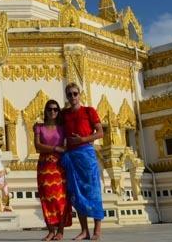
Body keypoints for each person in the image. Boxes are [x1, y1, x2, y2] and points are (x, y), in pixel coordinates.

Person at [61, 82, 104, 240]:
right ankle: (84, 230)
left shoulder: (89, 111)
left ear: (80, 95)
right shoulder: (64, 114)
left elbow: (100, 133)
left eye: (75, 93)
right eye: (69, 94)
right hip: (72, 156)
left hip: (86, 153)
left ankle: (97, 230)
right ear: (67, 96)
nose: (72, 97)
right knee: (77, 193)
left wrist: (83, 139)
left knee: (93, 191)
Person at [34, 99, 72, 241]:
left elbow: (68, 144)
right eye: (50, 109)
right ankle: (50, 230)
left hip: (59, 165)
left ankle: (60, 231)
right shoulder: (39, 127)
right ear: (45, 111)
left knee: (60, 198)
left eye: (56, 109)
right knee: (46, 198)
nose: (53, 112)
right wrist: (55, 148)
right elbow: (38, 146)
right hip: (44, 166)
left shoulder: (62, 128)